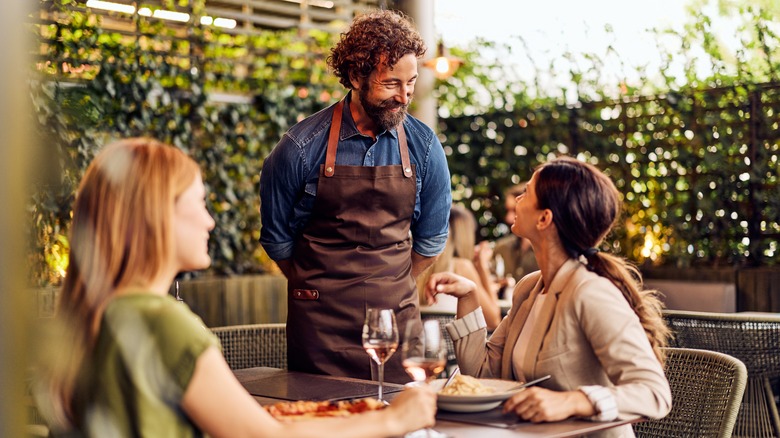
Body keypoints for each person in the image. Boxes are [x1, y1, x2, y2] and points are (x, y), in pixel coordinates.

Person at [34, 138, 436, 438]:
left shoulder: (92, 315)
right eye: (200, 202)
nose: (210, 222)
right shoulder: (161, 323)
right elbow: (262, 436)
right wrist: (394, 419)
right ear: (159, 217)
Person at [259, 10, 451, 383]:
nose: (404, 96)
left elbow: (431, 239)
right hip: (319, 329)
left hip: (394, 327)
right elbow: (277, 239)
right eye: (391, 83)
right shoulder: (299, 148)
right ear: (354, 77)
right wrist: (315, 288)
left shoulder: (425, 148)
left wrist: (389, 282)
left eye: (410, 83)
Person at [425, 157, 671, 436]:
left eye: (527, 192)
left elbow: (654, 393)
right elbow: (482, 374)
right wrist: (469, 296)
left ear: (544, 218)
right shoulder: (530, 288)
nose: (518, 197)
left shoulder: (590, 292)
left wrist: (572, 401)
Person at [418, 204, 502, 330]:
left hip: (423, 344)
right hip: (453, 348)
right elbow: (494, 321)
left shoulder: (420, 266)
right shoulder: (461, 267)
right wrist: (482, 266)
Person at [489, 182, 539, 295]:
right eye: (508, 210)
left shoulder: (550, 251)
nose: (509, 218)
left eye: (514, 210)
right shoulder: (501, 247)